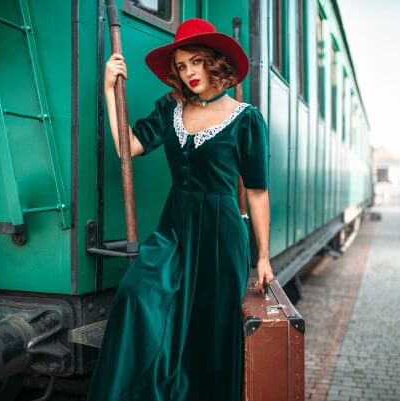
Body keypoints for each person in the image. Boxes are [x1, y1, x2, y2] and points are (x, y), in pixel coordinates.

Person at [87, 18, 273, 401]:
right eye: (182, 66)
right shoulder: (170, 109)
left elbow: (256, 192)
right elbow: (127, 147)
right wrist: (108, 87)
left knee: (208, 335)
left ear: (214, 62)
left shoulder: (247, 119)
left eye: (196, 62)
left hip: (222, 239)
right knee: (138, 295)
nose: (189, 72)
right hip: (174, 229)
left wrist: (265, 257)